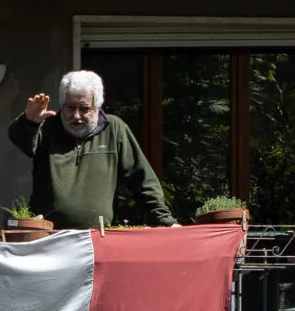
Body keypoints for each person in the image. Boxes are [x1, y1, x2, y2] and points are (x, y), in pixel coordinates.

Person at [9, 71, 176, 229]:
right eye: (70, 108)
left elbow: (142, 179)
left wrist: (165, 221)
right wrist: (30, 121)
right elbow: (21, 141)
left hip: (97, 239)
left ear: (97, 107)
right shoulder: (48, 128)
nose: (76, 116)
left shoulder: (114, 129)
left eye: (84, 109)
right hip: (49, 237)